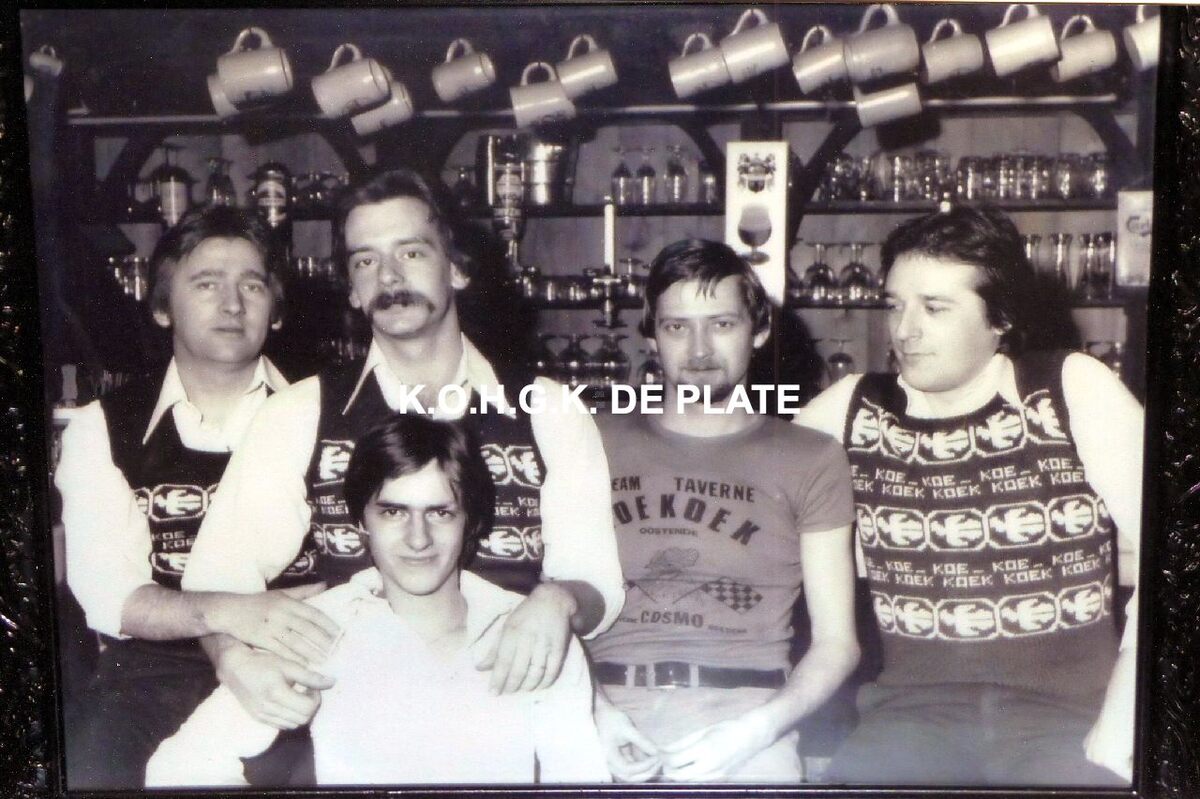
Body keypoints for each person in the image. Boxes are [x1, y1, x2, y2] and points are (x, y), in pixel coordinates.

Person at [182, 168, 623, 734]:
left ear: (456, 267)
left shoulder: (548, 410)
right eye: (365, 261)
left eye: (411, 253)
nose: (388, 276)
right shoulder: (300, 412)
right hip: (349, 703)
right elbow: (218, 577)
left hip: (507, 696)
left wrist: (557, 600)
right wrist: (234, 660)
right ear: (351, 288)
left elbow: (597, 587)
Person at [793, 205, 1141, 786]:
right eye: (895, 305)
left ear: (999, 318)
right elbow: (753, 492)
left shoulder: (1068, 387)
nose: (905, 330)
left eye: (934, 308)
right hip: (910, 719)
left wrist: (1124, 718)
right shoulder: (853, 406)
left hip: (1066, 719)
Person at [147, 415, 609, 786]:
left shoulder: (532, 631)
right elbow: (180, 767)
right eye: (392, 512)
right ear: (361, 520)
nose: (417, 539)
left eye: (440, 512)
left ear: (470, 521)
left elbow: (580, 779)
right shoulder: (319, 629)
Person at [55, 206, 330, 789]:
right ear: (162, 307)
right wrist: (234, 613)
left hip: (307, 661)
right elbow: (111, 596)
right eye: (207, 284)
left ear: (276, 311)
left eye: (252, 285)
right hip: (154, 675)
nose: (232, 305)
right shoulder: (102, 427)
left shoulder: (329, 413)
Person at [586, 239, 860, 782]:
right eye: (677, 327)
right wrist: (592, 711)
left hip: (745, 717)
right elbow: (553, 603)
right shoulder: (592, 441)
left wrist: (755, 733)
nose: (700, 349)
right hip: (602, 710)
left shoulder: (810, 456)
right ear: (651, 336)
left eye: (722, 324)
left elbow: (837, 644)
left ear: (758, 331)